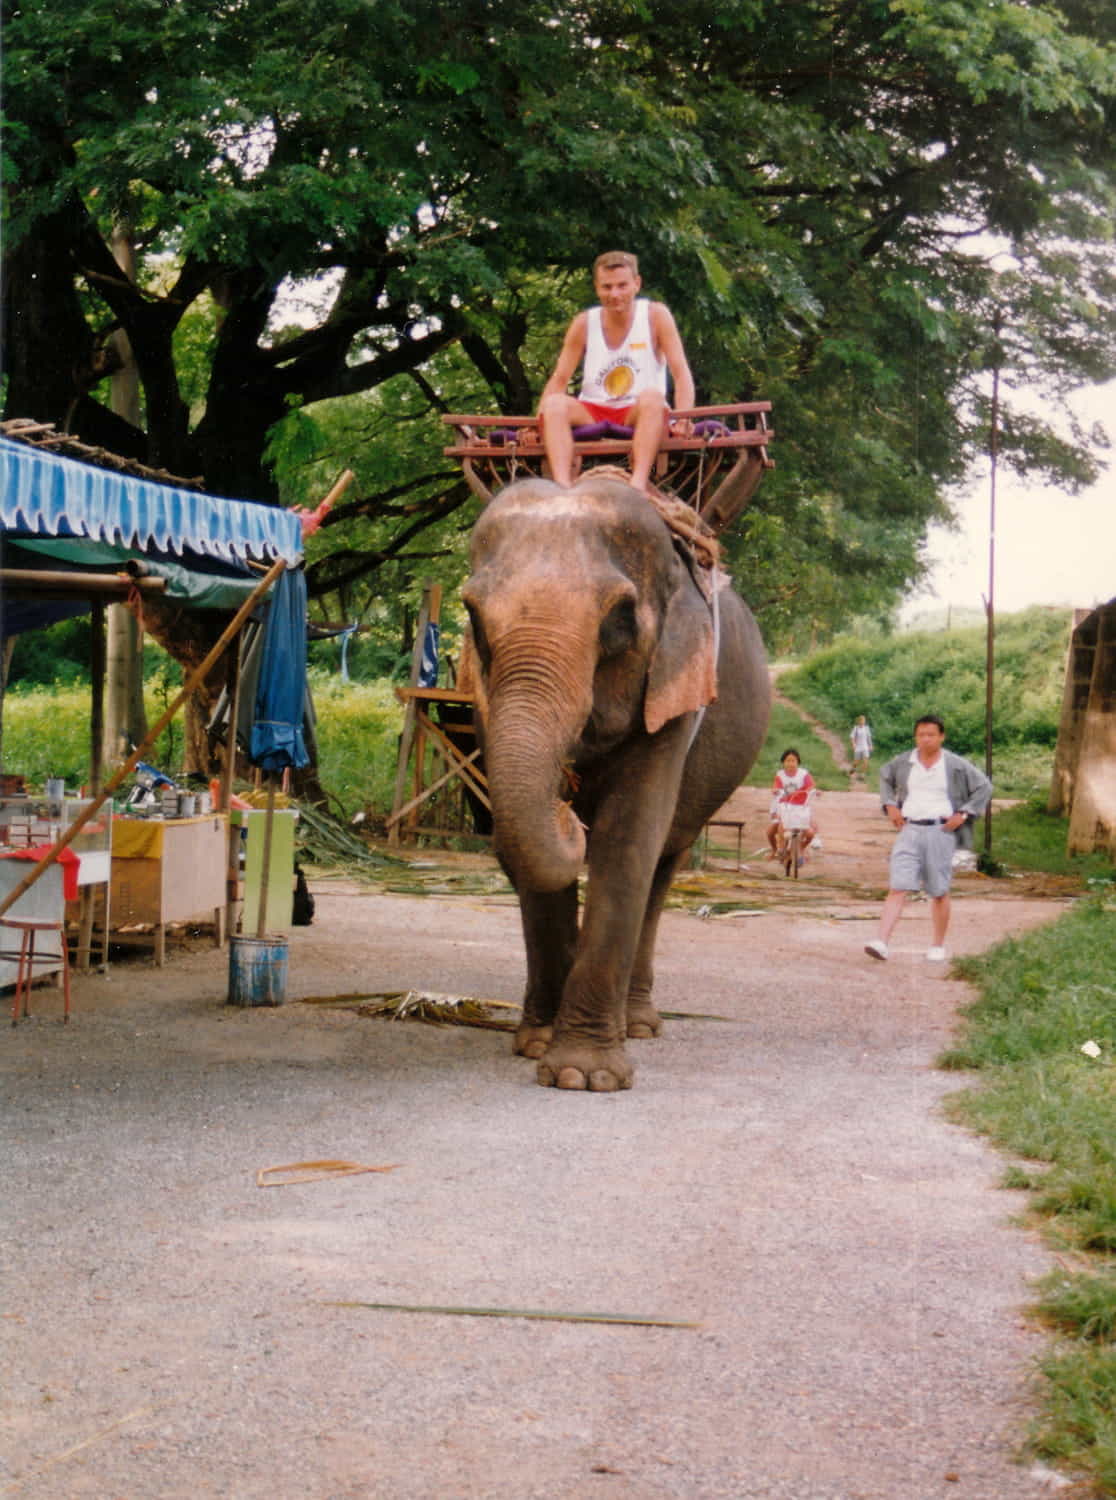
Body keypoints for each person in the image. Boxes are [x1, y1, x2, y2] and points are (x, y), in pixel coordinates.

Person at [537, 250, 696, 494]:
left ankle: (638, 483)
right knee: (554, 404)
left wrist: (684, 419)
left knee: (653, 397)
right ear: (597, 288)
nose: (614, 294)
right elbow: (559, 378)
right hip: (593, 408)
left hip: (638, 410)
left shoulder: (655, 316)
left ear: (636, 284)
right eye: (607, 287)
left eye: (622, 285)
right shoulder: (584, 322)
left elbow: (681, 373)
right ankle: (562, 485)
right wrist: (538, 421)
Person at [864, 715, 992, 963]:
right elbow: (884, 777)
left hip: (940, 831)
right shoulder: (904, 762)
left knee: (938, 890)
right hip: (909, 830)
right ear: (916, 737)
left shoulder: (954, 764)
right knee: (898, 886)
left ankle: (937, 944)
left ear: (941, 737)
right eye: (921, 734)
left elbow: (984, 786)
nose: (925, 739)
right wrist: (890, 805)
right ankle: (881, 941)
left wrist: (963, 813)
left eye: (931, 734)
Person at [766, 748, 817, 865]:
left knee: (810, 833)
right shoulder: (780, 775)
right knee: (774, 829)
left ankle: (800, 849)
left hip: (800, 808)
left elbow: (811, 786)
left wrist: (814, 791)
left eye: (793, 761)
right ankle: (779, 849)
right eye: (788, 761)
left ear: (798, 762)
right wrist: (775, 790)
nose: (791, 763)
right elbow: (776, 786)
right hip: (785, 807)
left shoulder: (803, 774)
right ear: (783, 762)